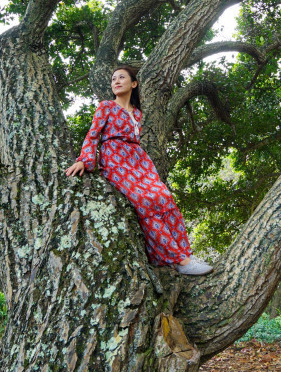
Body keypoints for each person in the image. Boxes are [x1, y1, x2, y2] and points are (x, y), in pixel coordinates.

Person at [65, 65, 213, 275]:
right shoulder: (105, 107)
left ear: (134, 84)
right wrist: (84, 160)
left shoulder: (137, 114)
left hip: (139, 161)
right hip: (115, 158)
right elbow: (93, 135)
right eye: (113, 78)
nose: (116, 81)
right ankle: (180, 260)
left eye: (121, 77)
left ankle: (185, 253)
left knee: (164, 197)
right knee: (144, 202)